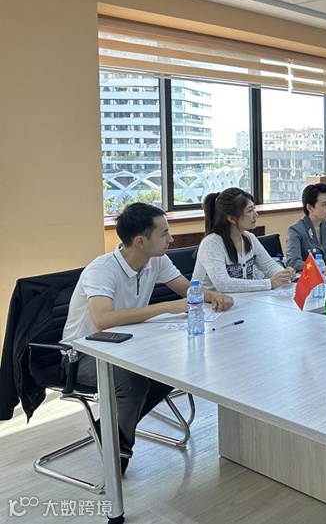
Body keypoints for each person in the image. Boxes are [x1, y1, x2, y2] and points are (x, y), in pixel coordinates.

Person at [62, 203, 233, 471]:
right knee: (133, 381)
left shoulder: (156, 260)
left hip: (125, 346)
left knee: (172, 371)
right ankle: (119, 445)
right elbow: (103, 319)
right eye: (164, 233)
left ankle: (108, 429)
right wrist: (166, 307)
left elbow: (186, 289)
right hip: (82, 354)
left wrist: (215, 297)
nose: (171, 239)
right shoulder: (102, 269)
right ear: (140, 241)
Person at [192, 188, 296, 292]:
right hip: (210, 302)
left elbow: (269, 266)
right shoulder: (211, 243)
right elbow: (223, 284)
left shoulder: (249, 238)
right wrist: (269, 283)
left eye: (254, 209)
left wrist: (284, 274)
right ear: (231, 218)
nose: (256, 214)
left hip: (244, 299)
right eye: (250, 211)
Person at [286, 183, 326, 274]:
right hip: (309, 279)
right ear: (310, 207)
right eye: (324, 205)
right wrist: (321, 269)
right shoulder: (295, 230)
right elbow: (293, 263)